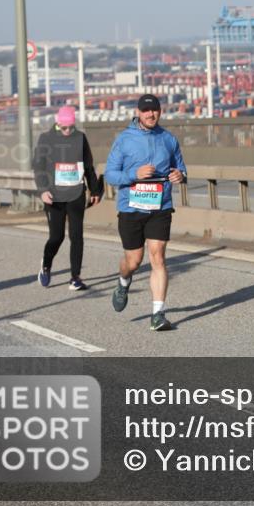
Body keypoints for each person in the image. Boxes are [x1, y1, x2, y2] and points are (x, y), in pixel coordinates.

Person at [104, 94, 187, 331]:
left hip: (160, 206)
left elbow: (181, 169)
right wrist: (134, 175)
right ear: (138, 113)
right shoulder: (124, 140)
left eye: (155, 110)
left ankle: (158, 314)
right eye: (146, 111)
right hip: (131, 208)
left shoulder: (168, 139)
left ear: (160, 112)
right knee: (133, 261)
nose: (151, 114)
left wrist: (180, 175)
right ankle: (123, 281)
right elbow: (110, 174)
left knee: (158, 256)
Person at [32, 106, 101, 290]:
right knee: (57, 237)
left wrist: (94, 190)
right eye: (64, 127)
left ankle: (75, 278)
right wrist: (43, 190)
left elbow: (88, 166)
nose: (68, 130)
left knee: (77, 236)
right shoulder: (46, 138)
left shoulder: (80, 138)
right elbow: (38, 167)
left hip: (76, 193)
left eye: (71, 127)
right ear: (58, 123)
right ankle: (46, 265)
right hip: (53, 196)